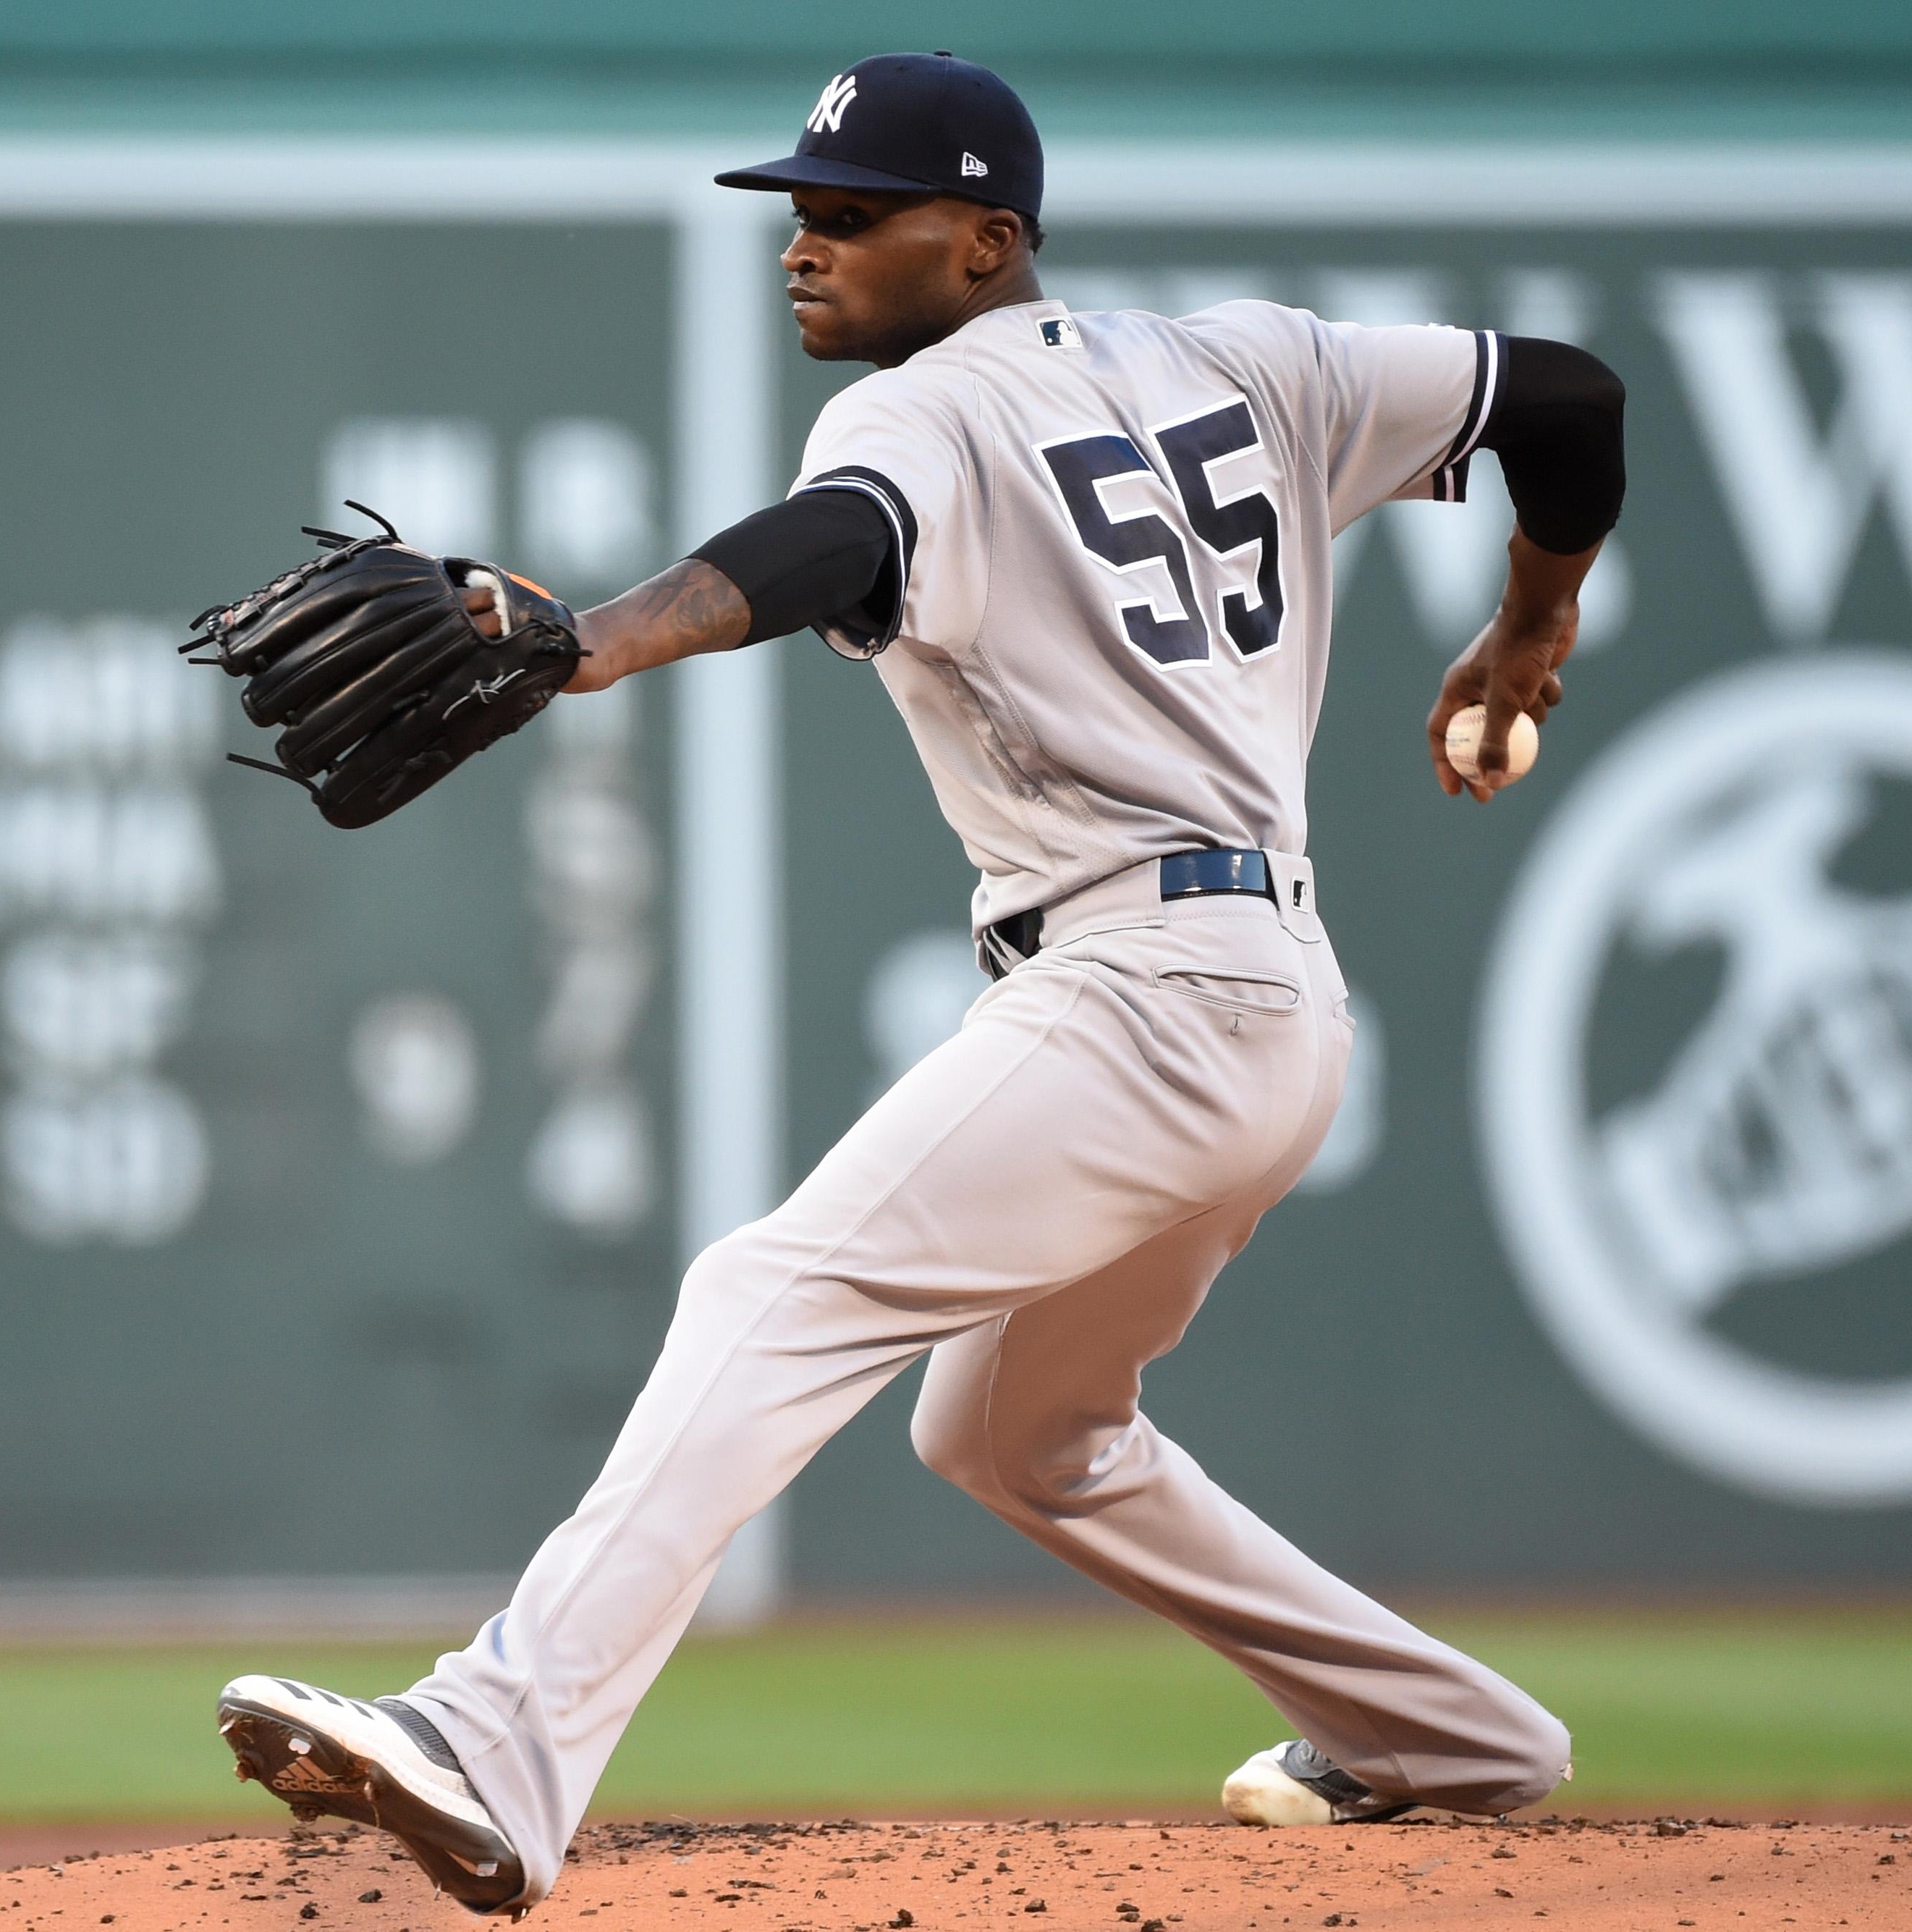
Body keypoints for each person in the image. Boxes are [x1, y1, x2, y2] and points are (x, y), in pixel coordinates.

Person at [216, 49, 1628, 1918]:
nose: (809, 249)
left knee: (771, 1288)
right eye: (800, 214)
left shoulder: (925, 419)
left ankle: (498, 1735)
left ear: (987, 241)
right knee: (1013, 1429)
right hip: (1272, 999)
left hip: (1138, 990)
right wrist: (1530, 628)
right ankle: (1453, 1738)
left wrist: (598, 642)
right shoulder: (1258, 359)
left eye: (857, 216)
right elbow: (1569, 395)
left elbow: (830, 550)